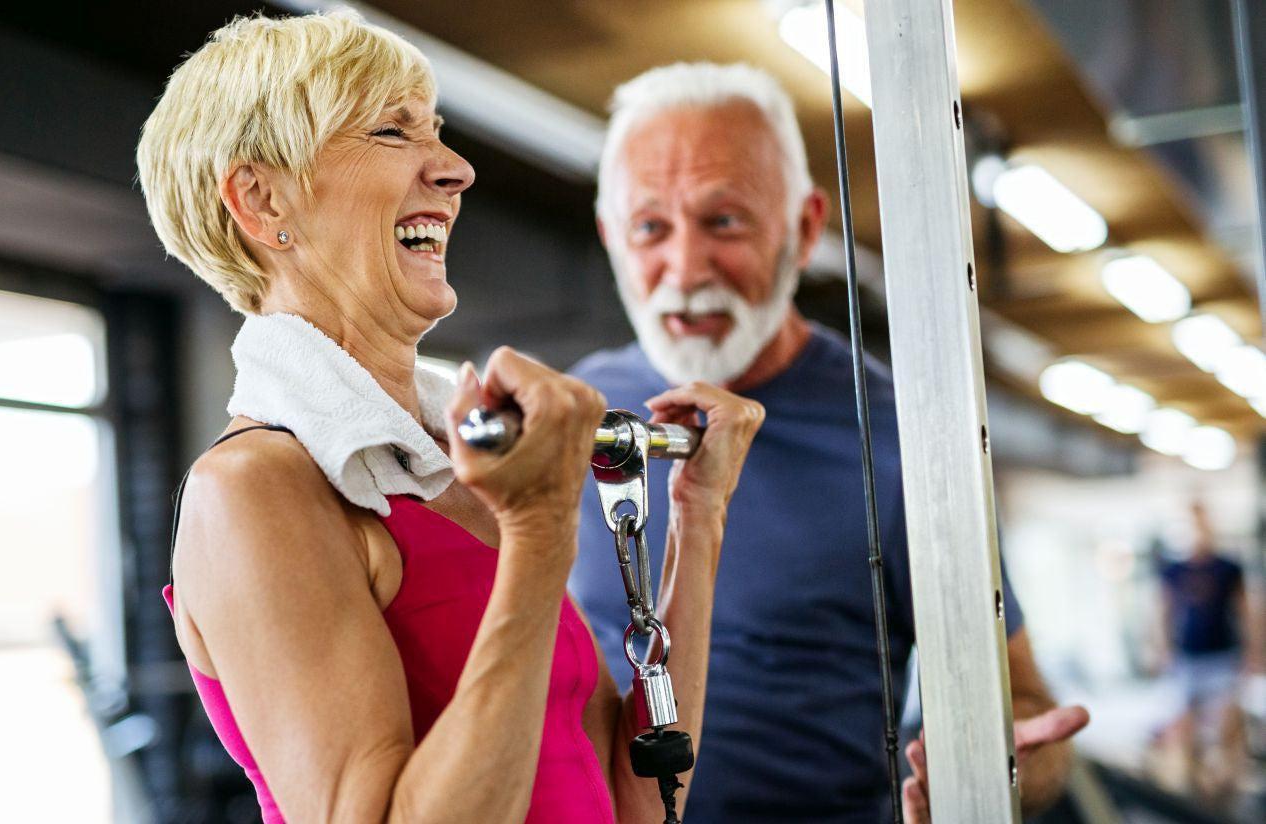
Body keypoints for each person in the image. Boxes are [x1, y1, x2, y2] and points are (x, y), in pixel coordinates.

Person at [135, 14, 765, 823]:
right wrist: (538, 531)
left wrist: (698, 514)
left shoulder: (453, 468)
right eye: (393, 131)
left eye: (439, 133)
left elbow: (637, 792)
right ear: (261, 201)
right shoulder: (253, 491)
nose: (458, 171)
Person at [568, 62, 1090, 823]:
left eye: (724, 222)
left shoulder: (905, 436)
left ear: (806, 227)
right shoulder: (577, 412)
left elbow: (1022, 703)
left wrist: (999, 770)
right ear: (611, 236)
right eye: (651, 227)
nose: (684, 270)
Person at [1159, 501, 1255, 803]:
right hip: (1187, 658)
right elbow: (1163, 611)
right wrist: (1162, 649)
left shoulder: (1228, 567)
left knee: (1229, 727)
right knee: (1187, 729)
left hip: (1223, 656)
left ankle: (1229, 789)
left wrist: (1253, 651)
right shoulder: (1173, 570)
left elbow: (1245, 610)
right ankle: (1194, 793)